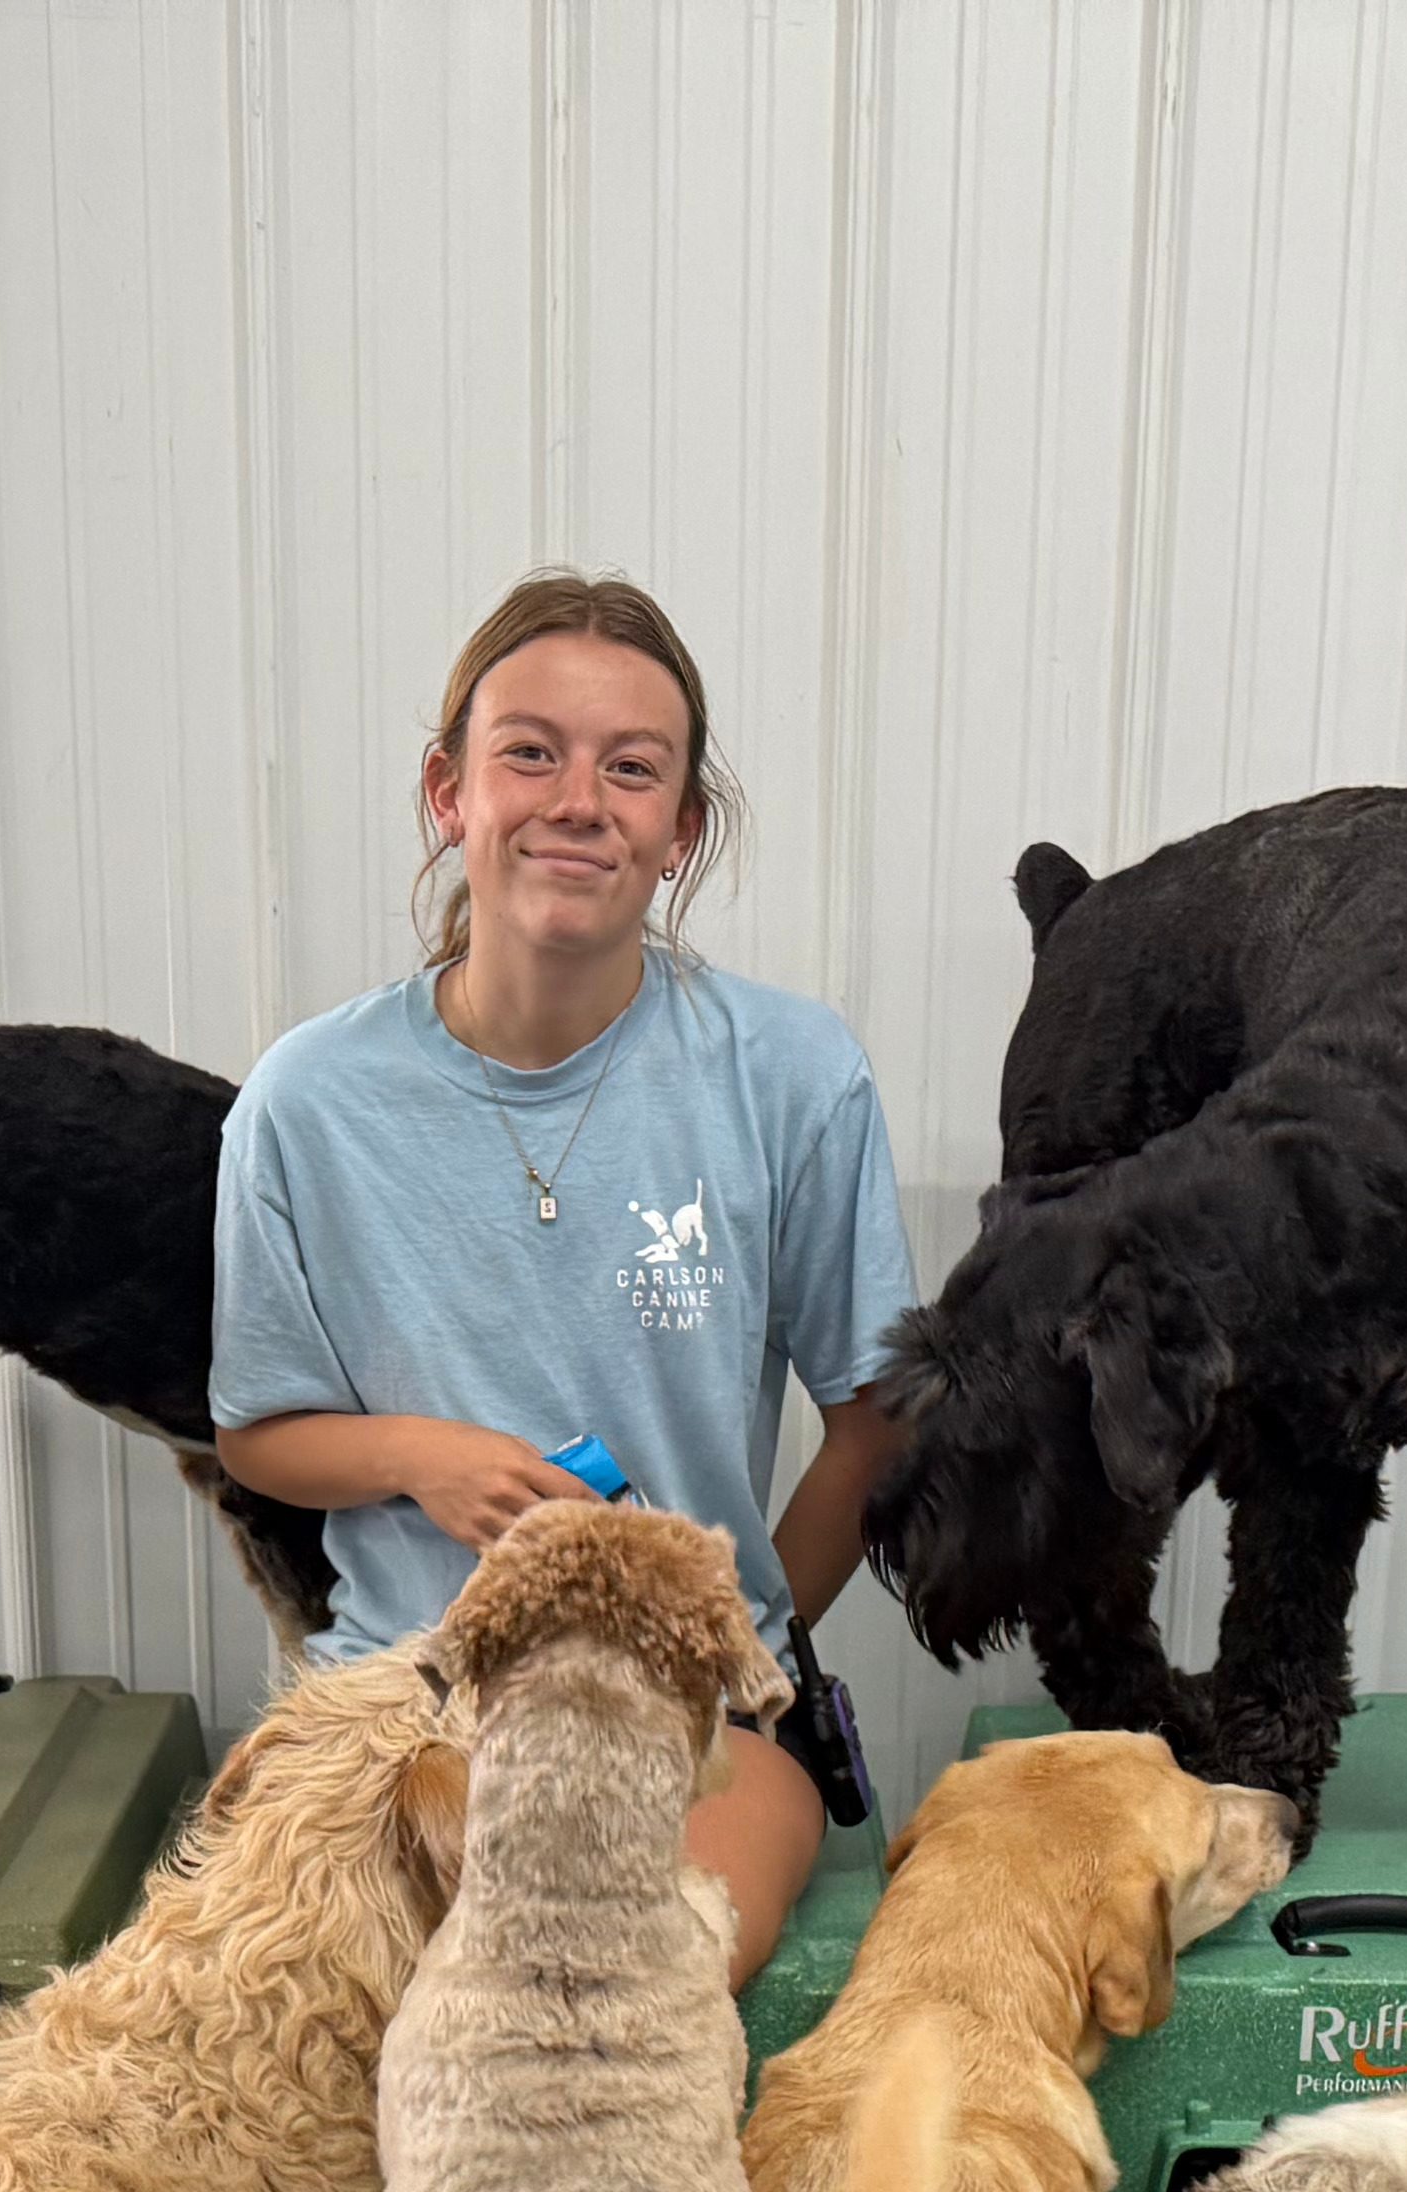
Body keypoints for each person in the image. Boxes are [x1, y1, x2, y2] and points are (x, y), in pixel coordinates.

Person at [210, 572, 915, 1985]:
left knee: (620, 1988)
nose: (579, 798)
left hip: (682, 1715)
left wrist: (725, 1627)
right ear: (448, 792)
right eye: (530, 750)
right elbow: (257, 1436)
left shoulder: (791, 1075)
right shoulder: (306, 1101)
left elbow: (877, 1422)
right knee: (274, 2002)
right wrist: (424, 1457)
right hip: (397, 1699)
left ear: (680, 832)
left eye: (633, 769)